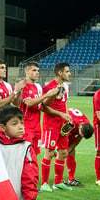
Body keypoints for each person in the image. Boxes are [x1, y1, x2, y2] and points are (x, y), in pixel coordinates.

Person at [39, 62, 73, 191]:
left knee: (63, 152)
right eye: (67, 71)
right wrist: (60, 114)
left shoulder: (66, 87)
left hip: (62, 124)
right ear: (60, 73)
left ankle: (58, 182)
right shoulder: (49, 87)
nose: (69, 73)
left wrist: (67, 116)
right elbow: (44, 108)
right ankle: (44, 183)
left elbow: (65, 103)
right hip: (51, 124)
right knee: (50, 152)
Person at [20, 61, 59, 155]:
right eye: (34, 70)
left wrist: (53, 95)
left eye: (38, 70)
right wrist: (46, 95)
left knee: (35, 153)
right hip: (26, 126)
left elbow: (43, 105)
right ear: (27, 71)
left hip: (37, 126)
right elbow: (29, 103)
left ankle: (33, 170)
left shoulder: (38, 87)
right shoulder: (23, 85)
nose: (37, 72)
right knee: (26, 155)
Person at [56, 107, 93, 186]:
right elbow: (61, 134)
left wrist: (69, 149)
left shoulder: (86, 125)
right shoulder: (71, 123)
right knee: (62, 152)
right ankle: (59, 180)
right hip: (62, 124)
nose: (80, 135)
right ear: (80, 127)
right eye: (80, 134)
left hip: (73, 129)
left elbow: (79, 137)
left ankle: (71, 179)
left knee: (71, 151)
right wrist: (63, 150)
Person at [0, 59, 25, 129]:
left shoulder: (8, 85)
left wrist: (20, 91)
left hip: (8, 119)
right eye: (2, 68)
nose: (5, 70)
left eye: (5, 68)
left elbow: (17, 103)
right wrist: (15, 92)